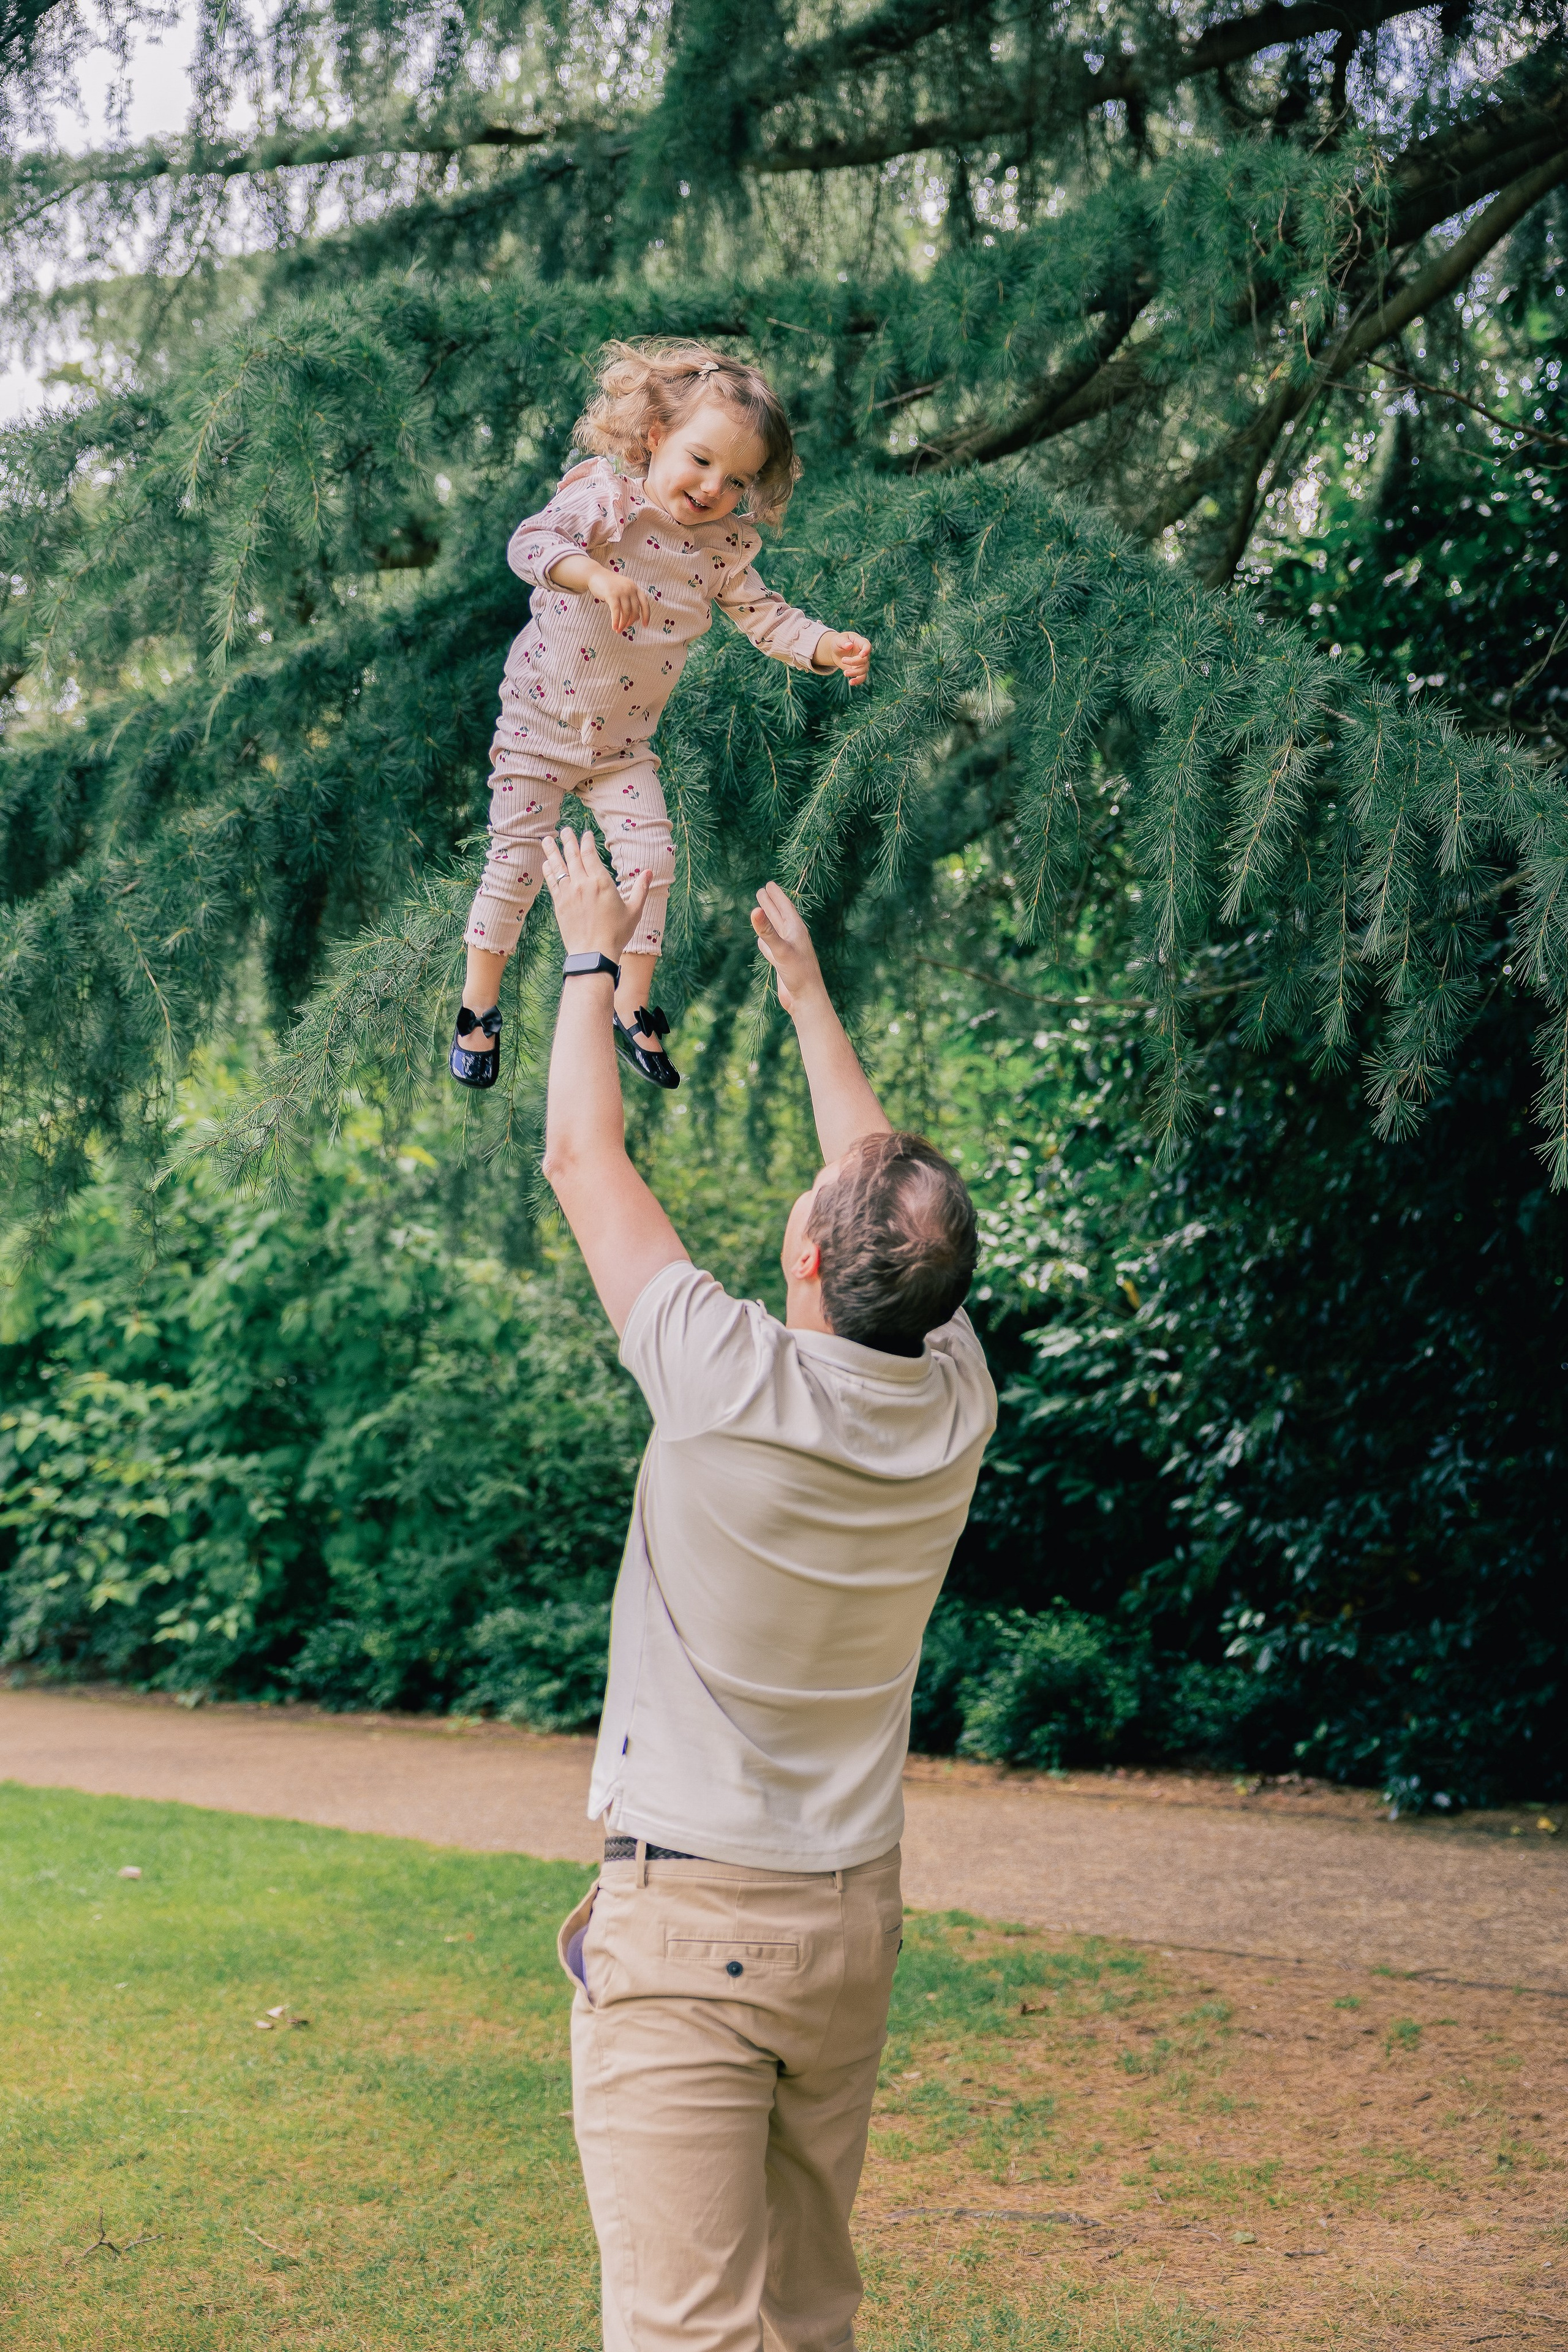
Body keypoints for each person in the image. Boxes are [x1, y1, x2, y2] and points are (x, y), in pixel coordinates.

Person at [536, 824, 998, 2352]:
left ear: (803, 1252)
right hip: (845, 1922)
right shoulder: (949, 1406)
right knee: (805, 2316)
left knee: (685, 2331)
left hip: (698, 1927)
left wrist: (588, 952)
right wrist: (806, 1001)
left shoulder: (721, 1377)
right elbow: (884, 1220)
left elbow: (579, 1158)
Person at [452, 339, 872, 1095]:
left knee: (652, 865)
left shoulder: (719, 550)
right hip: (538, 729)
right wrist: (592, 575)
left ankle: (630, 1003)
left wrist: (825, 647)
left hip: (622, 749)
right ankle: (478, 1010)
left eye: (738, 479)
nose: (714, 487)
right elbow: (531, 543)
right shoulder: (605, 501)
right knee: (514, 865)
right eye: (701, 460)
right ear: (655, 438)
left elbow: (767, 618)